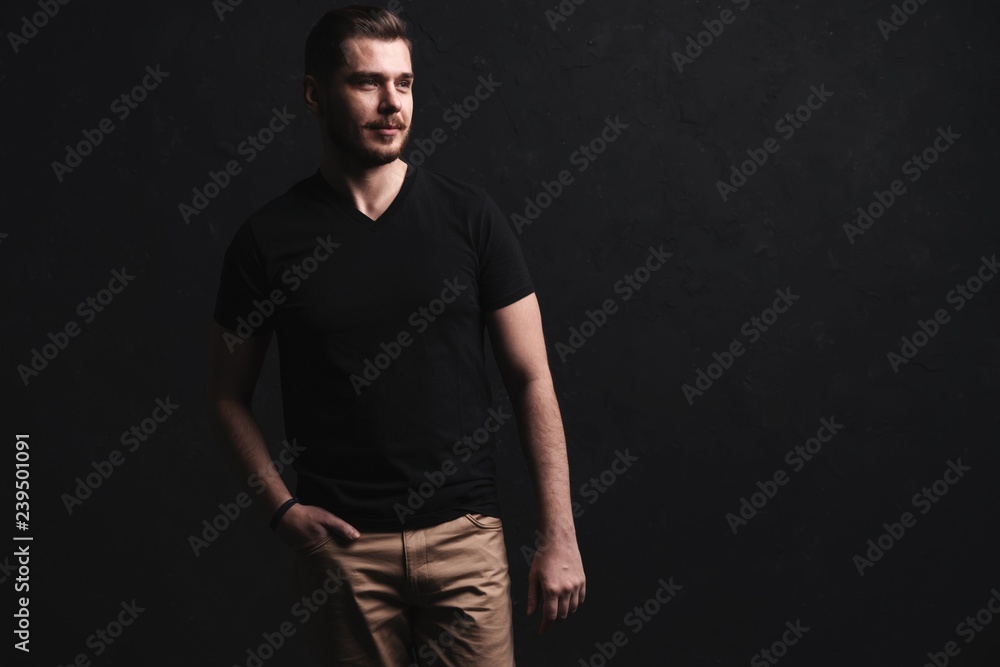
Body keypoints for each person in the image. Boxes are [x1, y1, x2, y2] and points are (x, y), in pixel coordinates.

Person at [205, 5, 585, 665]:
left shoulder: (472, 219)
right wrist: (283, 509)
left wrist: (560, 536)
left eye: (404, 83)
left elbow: (532, 377)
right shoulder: (268, 240)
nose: (391, 103)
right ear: (314, 94)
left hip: (465, 540)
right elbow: (225, 395)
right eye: (366, 83)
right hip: (346, 554)